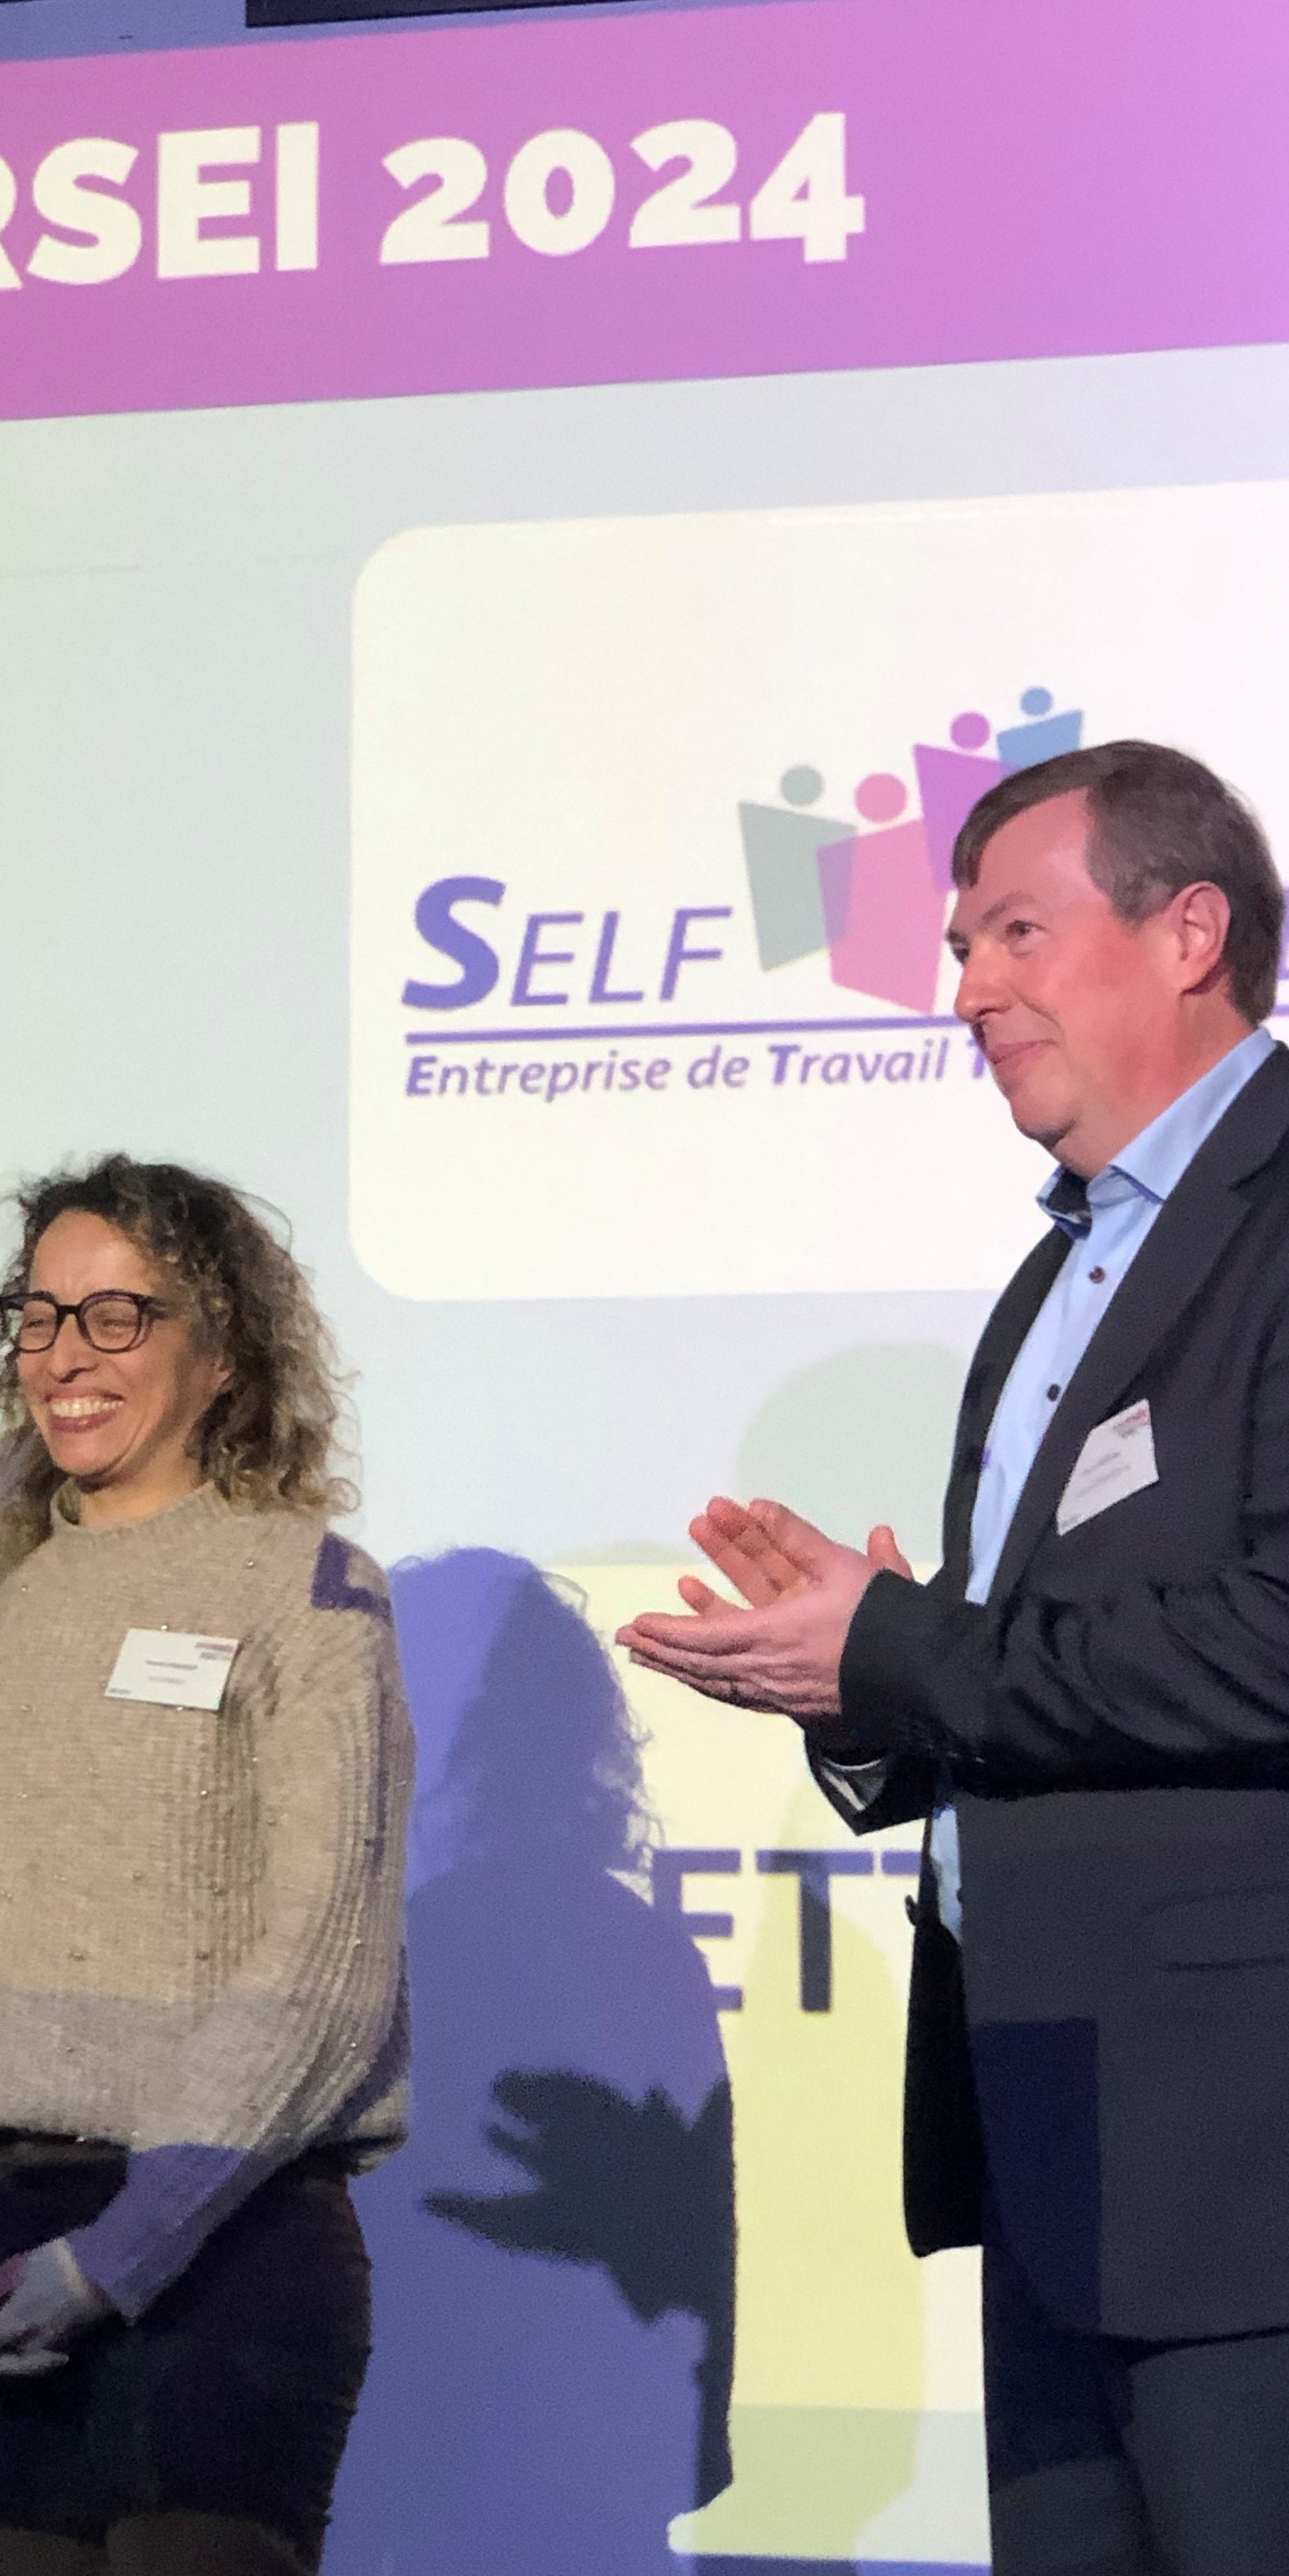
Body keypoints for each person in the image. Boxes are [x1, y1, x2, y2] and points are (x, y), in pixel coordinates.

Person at [619, 740, 1289, 2576]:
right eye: (961, 946)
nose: (970, 990)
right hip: (1054, 2140)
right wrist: (856, 1688)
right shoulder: (1056, 1275)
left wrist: (907, 1645)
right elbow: (1025, 1676)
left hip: (1244, 2175)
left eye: (1016, 933)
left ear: (1189, 934)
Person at [0, 1153, 412, 2576]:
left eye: (119, 1315)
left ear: (222, 1352)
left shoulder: (308, 1587)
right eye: (39, 1316)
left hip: (223, 2258)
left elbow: (325, 1964)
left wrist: (120, 2253)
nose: (64, 1356)